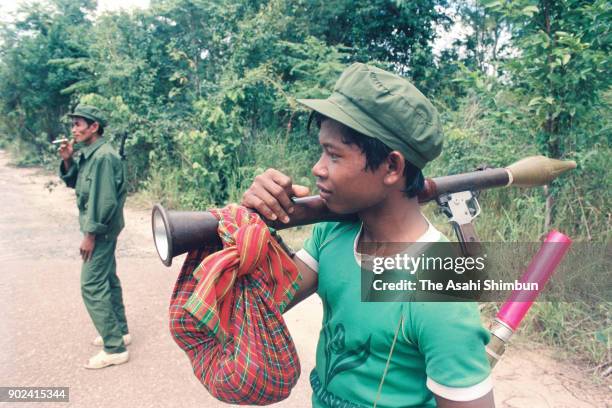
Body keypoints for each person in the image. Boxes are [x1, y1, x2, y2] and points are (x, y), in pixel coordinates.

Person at [241, 63, 495, 407]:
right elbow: (260, 304)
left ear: (391, 167)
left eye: (334, 155)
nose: (317, 168)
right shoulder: (334, 232)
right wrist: (255, 225)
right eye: (322, 151)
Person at [58, 104, 131, 369]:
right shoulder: (91, 154)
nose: (73, 129)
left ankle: (114, 348)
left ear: (94, 127)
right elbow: (77, 183)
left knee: (91, 285)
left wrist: (90, 235)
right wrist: (68, 159)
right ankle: (120, 331)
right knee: (108, 279)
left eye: (78, 124)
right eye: (74, 124)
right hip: (103, 230)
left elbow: (104, 202)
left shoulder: (102, 157)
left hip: (100, 231)